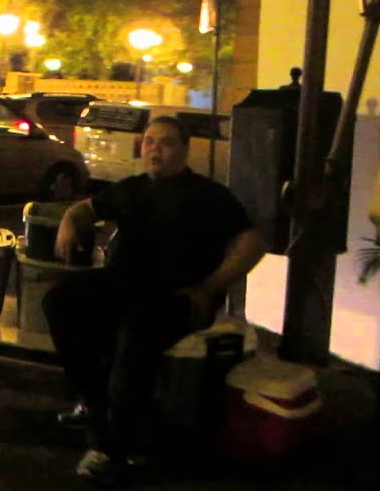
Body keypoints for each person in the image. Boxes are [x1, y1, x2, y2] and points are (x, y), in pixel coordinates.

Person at [45, 115, 263, 485]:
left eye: (165, 143)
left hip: (177, 296)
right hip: (125, 283)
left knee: (135, 332)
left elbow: (252, 244)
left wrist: (210, 287)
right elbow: (87, 208)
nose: (154, 150)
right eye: (149, 142)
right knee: (59, 302)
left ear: (183, 149)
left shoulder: (209, 195)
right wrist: (70, 217)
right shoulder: (131, 188)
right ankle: (97, 402)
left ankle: (110, 447)